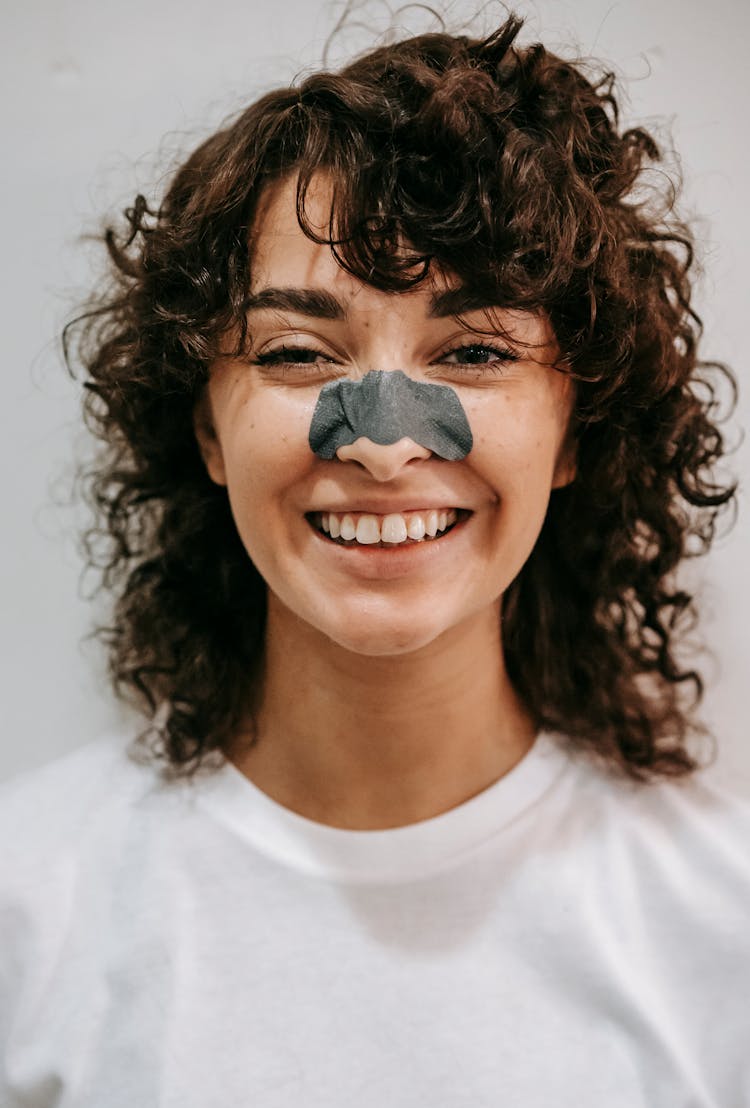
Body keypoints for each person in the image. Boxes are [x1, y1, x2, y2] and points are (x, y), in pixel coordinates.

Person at [1, 12, 748, 1107]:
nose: (388, 441)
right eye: (298, 352)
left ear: (574, 429)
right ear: (205, 430)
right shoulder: (28, 903)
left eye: (478, 349)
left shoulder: (723, 930)